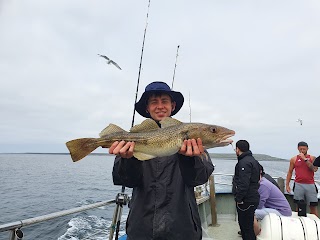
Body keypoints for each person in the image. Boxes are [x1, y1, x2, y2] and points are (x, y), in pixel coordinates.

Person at [110, 81, 215, 240]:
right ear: (147, 107)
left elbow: (199, 178)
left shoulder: (191, 138)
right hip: (141, 229)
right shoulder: (132, 140)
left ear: (172, 106)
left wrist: (190, 159)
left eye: (164, 101)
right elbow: (125, 180)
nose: (160, 106)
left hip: (182, 229)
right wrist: (127, 160)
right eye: (154, 102)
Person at [232, 140, 260, 240]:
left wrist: (239, 199)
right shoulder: (253, 161)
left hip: (246, 200)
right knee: (248, 227)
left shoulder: (244, 163)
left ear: (238, 149)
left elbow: (244, 183)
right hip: (252, 197)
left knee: (246, 229)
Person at [254, 165, 292, 235]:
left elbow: (259, 204)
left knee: (250, 213)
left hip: (282, 212)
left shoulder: (263, 185)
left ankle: (256, 233)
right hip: (276, 208)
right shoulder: (263, 181)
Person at [285, 141, 318, 216]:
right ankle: (299, 222)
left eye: (304, 149)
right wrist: (287, 185)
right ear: (298, 149)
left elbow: (314, 169)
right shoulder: (294, 159)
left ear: (307, 149)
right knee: (299, 205)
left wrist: (305, 159)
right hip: (298, 184)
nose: (302, 151)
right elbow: (290, 172)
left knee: (313, 205)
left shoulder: (312, 158)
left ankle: (316, 223)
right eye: (301, 149)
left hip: (310, 184)